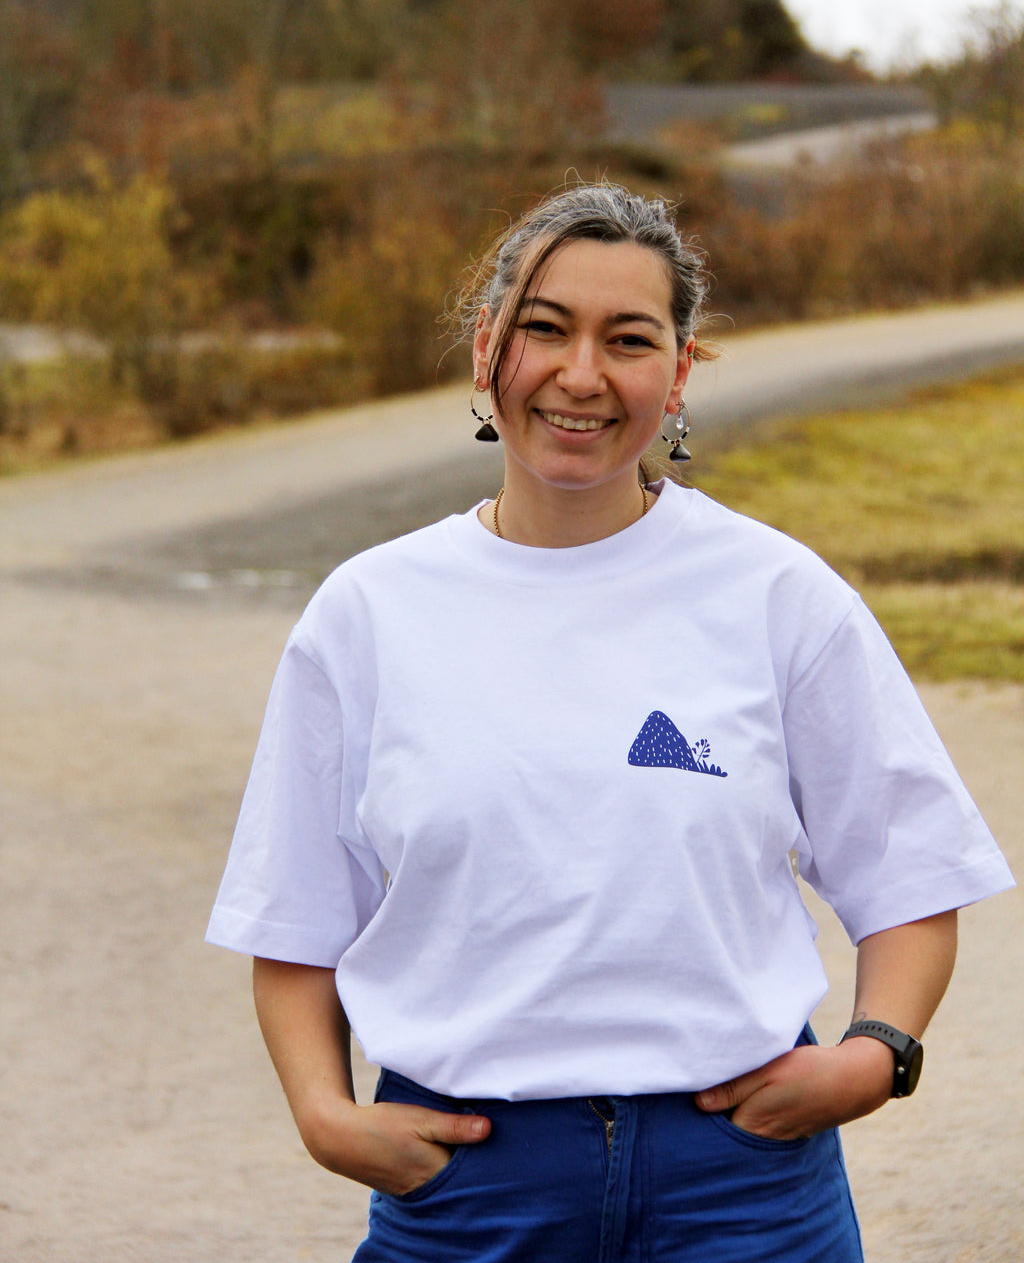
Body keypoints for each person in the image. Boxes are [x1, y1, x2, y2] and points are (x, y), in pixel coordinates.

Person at [207, 183, 1013, 1262]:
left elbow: (910, 873)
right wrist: (323, 1113)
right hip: (469, 1190)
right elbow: (294, 915)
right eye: (545, 329)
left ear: (677, 374)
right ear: (486, 350)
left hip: (744, 1189)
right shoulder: (368, 613)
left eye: (627, 340)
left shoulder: (777, 593)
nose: (580, 375)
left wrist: (876, 1056)